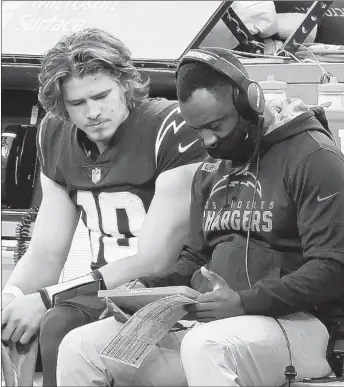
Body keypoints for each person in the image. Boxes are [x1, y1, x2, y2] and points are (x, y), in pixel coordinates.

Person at [55, 47, 344, 387]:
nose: (208, 140)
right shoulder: (211, 170)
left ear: (249, 104)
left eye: (216, 126)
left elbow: (333, 268)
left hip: (303, 326)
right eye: (197, 130)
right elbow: (196, 257)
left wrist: (244, 302)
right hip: (213, 323)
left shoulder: (315, 157)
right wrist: (145, 289)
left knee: (206, 345)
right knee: (80, 347)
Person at [1, 28, 206, 386]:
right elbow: (46, 252)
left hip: (165, 288)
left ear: (125, 83)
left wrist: (46, 299)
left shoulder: (171, 128)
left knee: (58, 322)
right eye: (77, 103)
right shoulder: (54, 133)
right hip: (95, 290)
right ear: (60, 106)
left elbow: (155, 260)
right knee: (21, 323)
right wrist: (12, 298)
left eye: (101, 95)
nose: (93, 112)